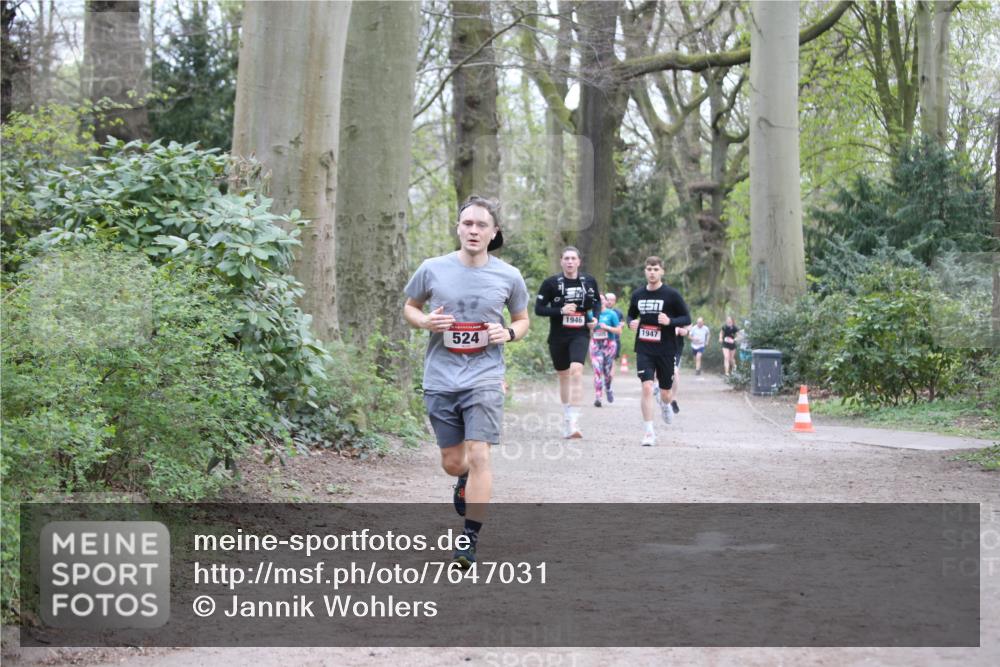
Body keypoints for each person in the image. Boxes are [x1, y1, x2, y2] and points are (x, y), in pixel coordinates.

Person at [403, 195, 529, 568]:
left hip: (485, 377)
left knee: (480, 454)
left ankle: (468, 541)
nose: (473, 230)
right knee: (453, 462)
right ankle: (462, 479)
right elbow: (410, 307)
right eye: (468, 224)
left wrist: (507, 333)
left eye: (481, 225)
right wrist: (424, 321)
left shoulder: (509, 276)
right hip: (441, 377)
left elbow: (522, 320)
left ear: (494, 233)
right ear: (459, 228)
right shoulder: (432, 268)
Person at [535, 246, 601, 438]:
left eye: (573, 258)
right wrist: (560, 311)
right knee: (564, 376)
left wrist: (595, 318)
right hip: (558, 335)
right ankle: (566, 417)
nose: (570, 262)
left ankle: (574, 422)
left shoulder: (589, 281)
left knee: (576, 370)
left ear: (579, 261)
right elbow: (539, 309)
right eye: (566, 258)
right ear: (561, 261)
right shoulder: (551, 283)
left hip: (580, 333)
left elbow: (596, 302)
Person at [627, 256, 691, 446]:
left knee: (665, 393)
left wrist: (670, 321)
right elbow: (631, 313)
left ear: (662, 271)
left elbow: (686, 318)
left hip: (666, 349)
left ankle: (665, 403)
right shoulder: (638, 294)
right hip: (644, 347)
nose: (652, 272)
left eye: (655, 269)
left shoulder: (672, 295)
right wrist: (632, 321)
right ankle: (649, 432)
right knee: (646, 386)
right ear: (645, 271)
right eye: (649, 269)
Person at [589, 294, 622, 407]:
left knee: (607, 372)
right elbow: (586, 330)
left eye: (602, 299)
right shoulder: (590, 313)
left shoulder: (611, 314)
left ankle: (608, 388)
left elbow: (619, 331)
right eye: (597, 300)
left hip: (609, 345)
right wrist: (590, 327)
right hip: (595, 345)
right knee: (597, 371)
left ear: (605, 302)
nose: (600, 301)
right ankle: (598, 397)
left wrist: (607, 328)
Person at [605, 292, 625, 359]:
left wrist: (622, 325)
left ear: (615, 301)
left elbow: (622, 324)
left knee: (613, 360)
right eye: (608, 300)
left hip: (615, 340)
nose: (609, 302)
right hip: (602, 340)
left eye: (612, 300)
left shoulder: (618, 312)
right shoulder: (599, 311)